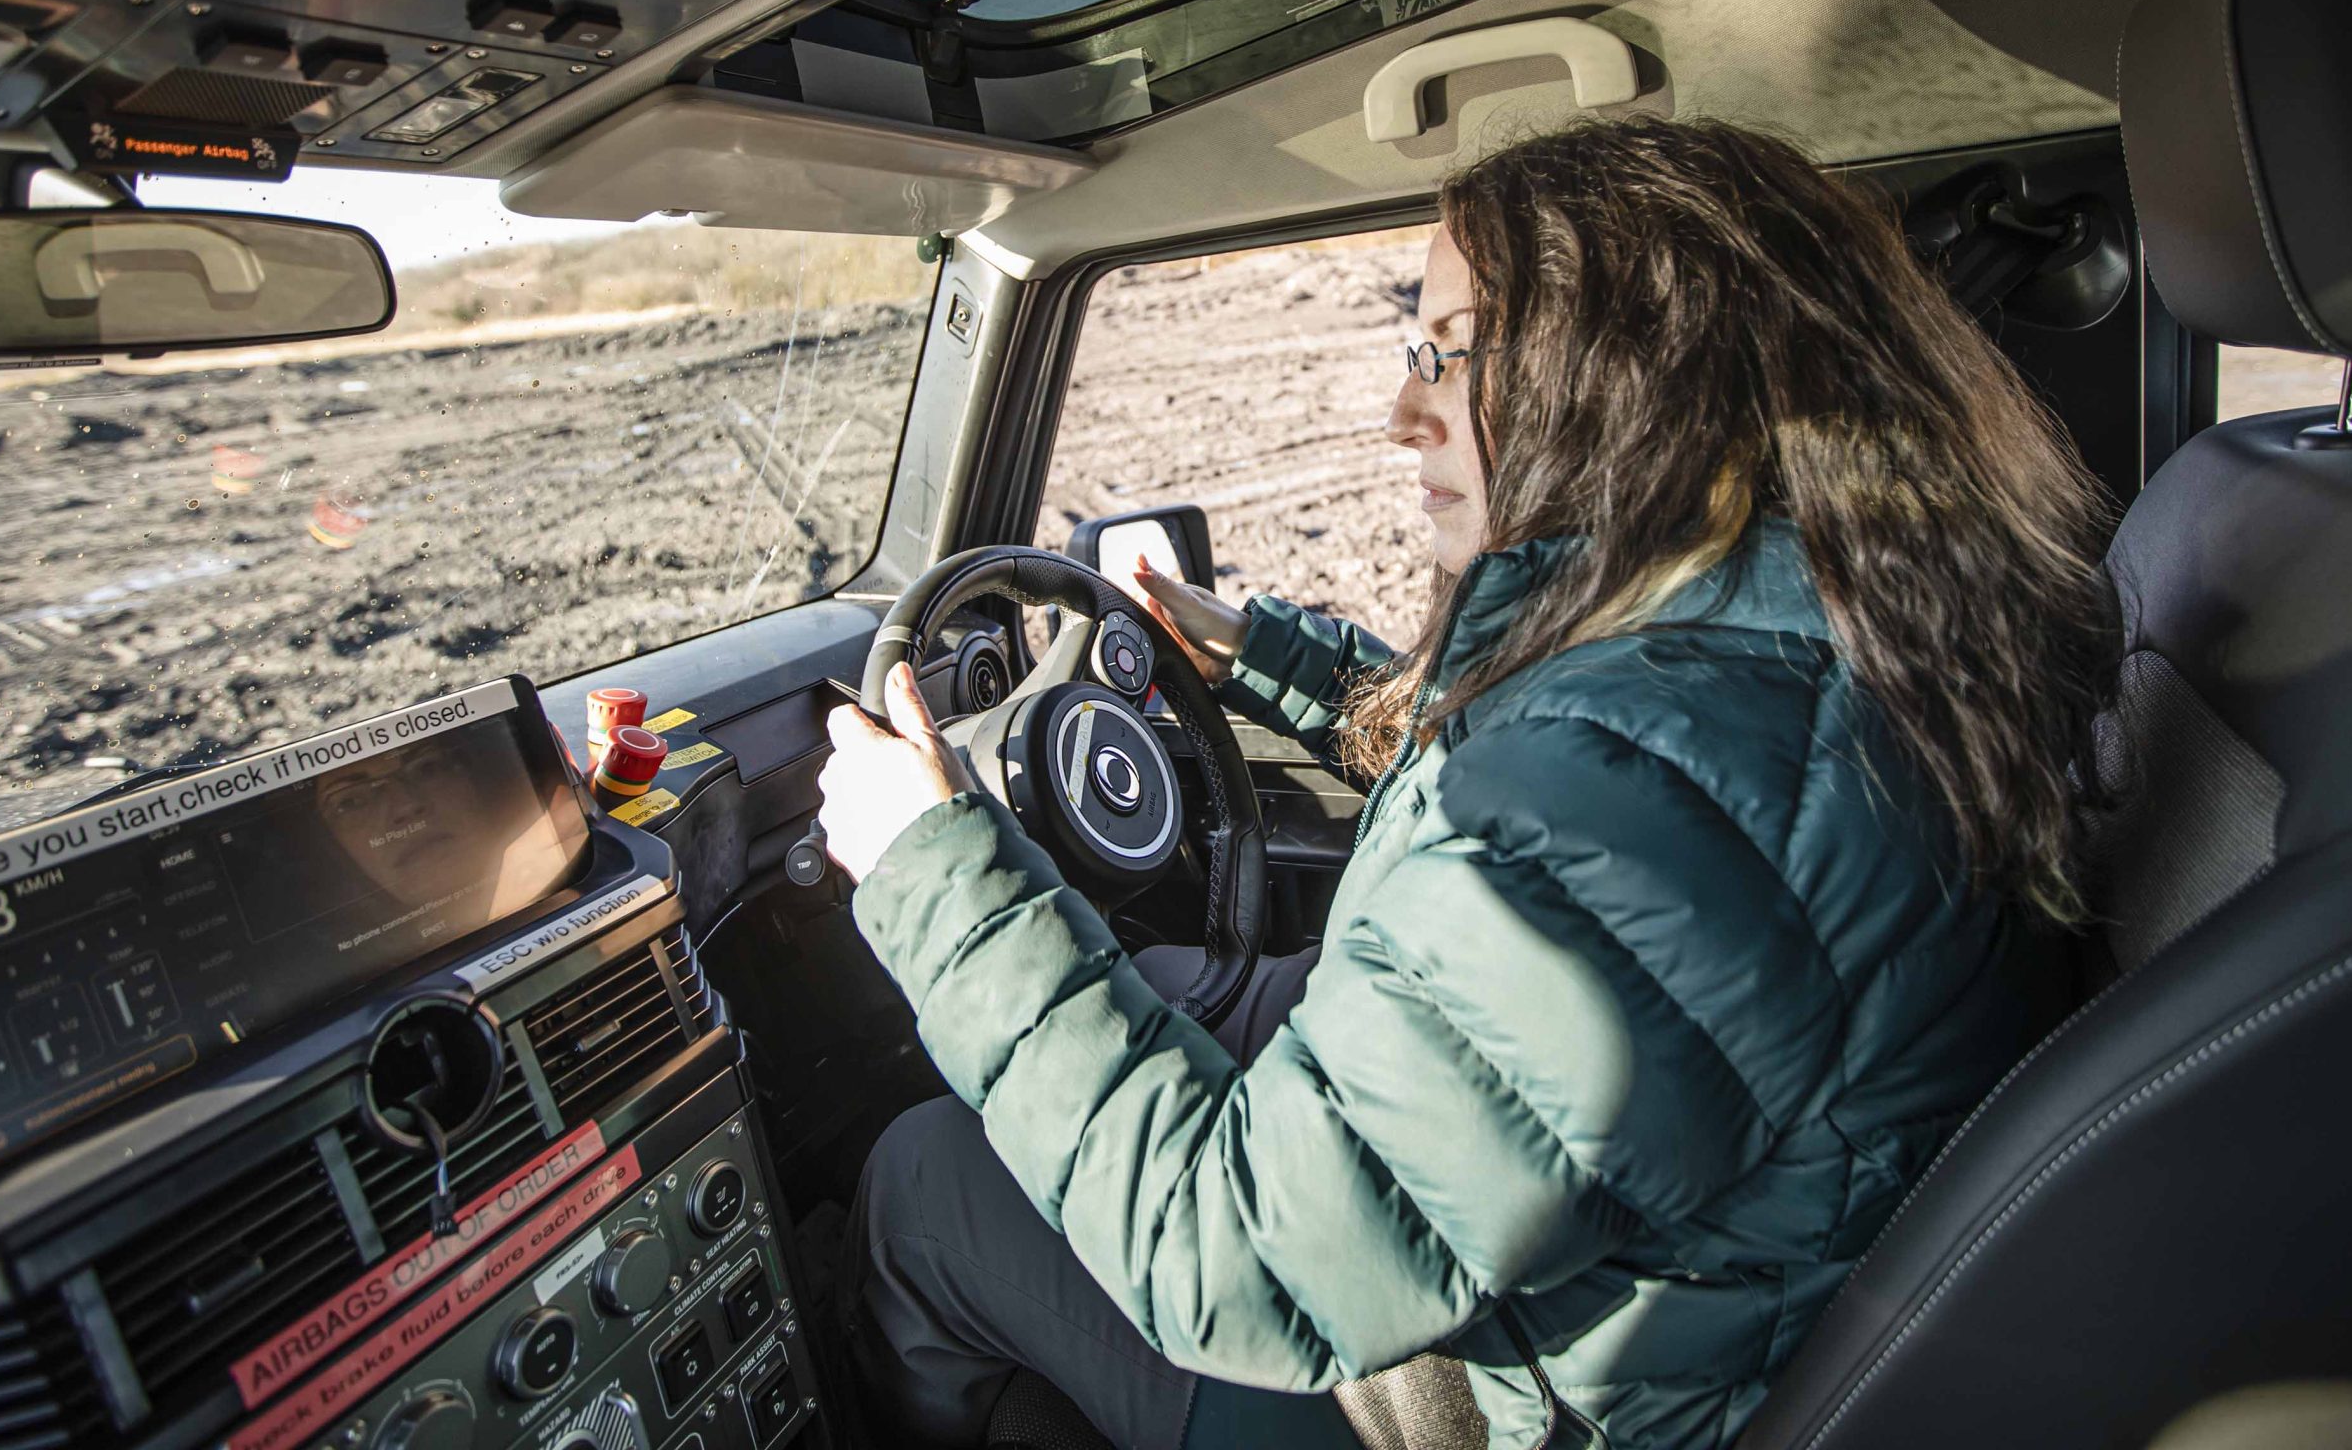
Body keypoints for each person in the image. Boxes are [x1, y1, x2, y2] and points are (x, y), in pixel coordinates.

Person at [815, 115, 2114, 1448]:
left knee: (925, 1186)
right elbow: (1540, 751)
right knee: (1157, 989)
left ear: (1632, 377)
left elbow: (1234, 1261)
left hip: (1501, 1406)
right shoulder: (1806, 636)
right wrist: (1264, 654)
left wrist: (931, 875)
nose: (1403, 412)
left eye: (1452, 351)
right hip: (1674, 1301)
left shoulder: (1640, 804)